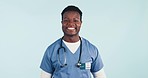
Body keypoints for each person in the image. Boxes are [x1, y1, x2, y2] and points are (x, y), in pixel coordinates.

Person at [40, 5, 106, 78]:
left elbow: (100, 76)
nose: (71, 24)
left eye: (75, 20)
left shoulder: (92, 50)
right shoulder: (51, 50)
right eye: (66, 20)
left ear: (80, 23)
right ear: (62, 23)